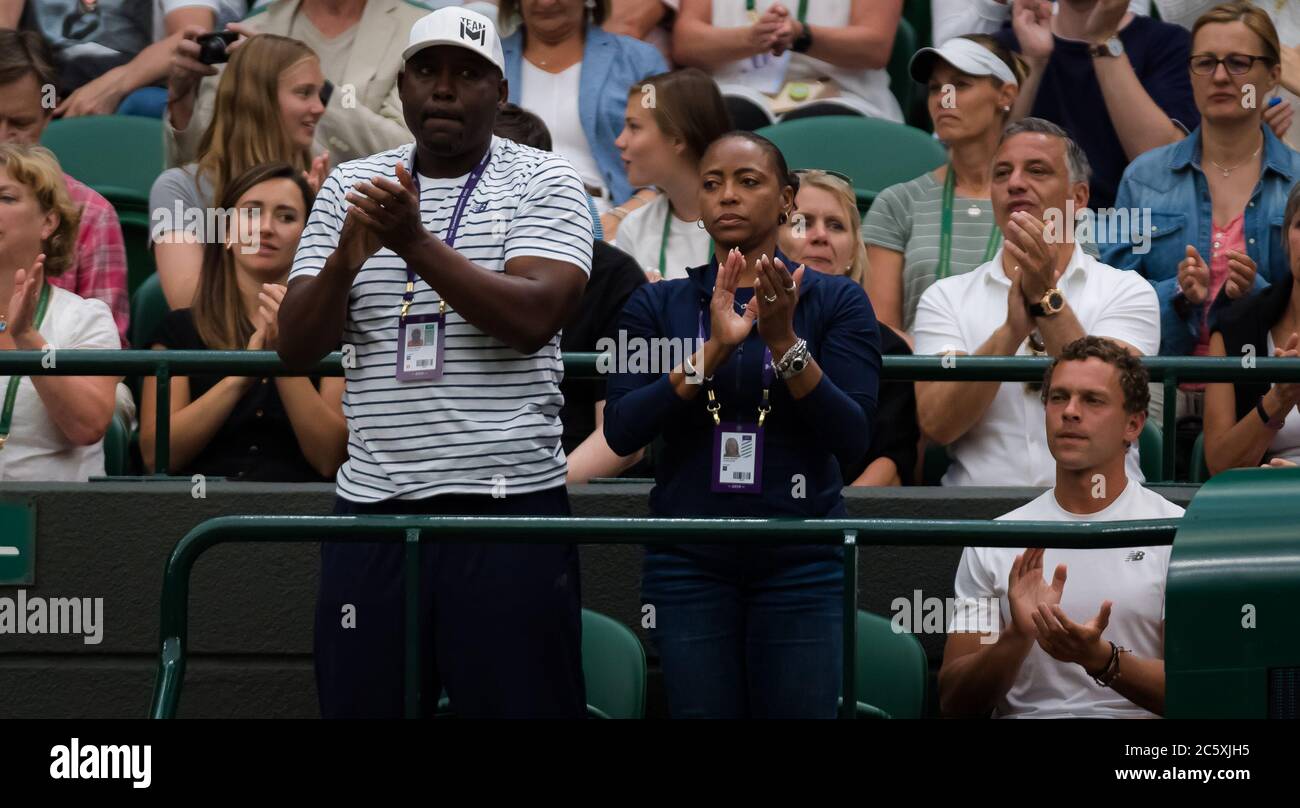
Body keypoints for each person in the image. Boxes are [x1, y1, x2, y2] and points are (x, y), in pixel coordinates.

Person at [276, 7, 594, 718]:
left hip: (507, 509)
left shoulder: (548, 179)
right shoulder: (351, 183)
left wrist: (413, 242)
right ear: (402, 86)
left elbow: (534, 319)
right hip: (374, 509)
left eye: (467, 73)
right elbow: (294, 347)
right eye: (427, 71)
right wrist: (345, 259)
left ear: (501, 92)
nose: (444, 89)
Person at [603, 131, 882, 717]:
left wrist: (784, 344)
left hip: (801, 556)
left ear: (786, 201)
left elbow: (852, 439)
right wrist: (710, 356)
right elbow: (623, 430)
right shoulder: (656, 303)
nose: (727, 195)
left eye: (747, 182)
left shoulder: (838, 302)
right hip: (688, 557)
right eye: (712, 184)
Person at [939, 336, 1181, 718]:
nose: (1070, 412)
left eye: (1092, 400)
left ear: (1133, 424)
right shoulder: (995, 540)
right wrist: (1017, 636)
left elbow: (1197, 694)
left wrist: (1101, 659)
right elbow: (954, 705)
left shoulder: (1176, 534)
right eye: (1058, 398)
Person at [913, 118, 1160, 486]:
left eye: (1037, 170)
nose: (1014, 183)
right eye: (1001, 174)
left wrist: (1047, 300)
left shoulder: (1128, 290)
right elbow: (937, 426)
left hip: (1099, 514)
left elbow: (1116, 399)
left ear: (1078, 198)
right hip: (978, 519)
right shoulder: (945, 297)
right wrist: (1011, 332)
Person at [1103, 2, 1300, 366]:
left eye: (1239, 62)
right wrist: (1178, 294)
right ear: (1190, 73)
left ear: (1273, 76)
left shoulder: (1297, 182)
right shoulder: (1143, 177)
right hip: (1157, 389)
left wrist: (1254, 294)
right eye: (1205, 63)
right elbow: (1113, 297)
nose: (1221, 77)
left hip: (1264, 395)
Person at [140, 161, 346, 481]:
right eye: (251, 212)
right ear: (225, 234)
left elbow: (331, 458)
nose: (266, 227)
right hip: (194, 515)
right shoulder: (177, 329)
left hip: (303, 519)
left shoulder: (334, 328)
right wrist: (241, 376)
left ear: (308, 238)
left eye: (286, 217)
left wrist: (279, 359)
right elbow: (157, 457)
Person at [493, 101, 649, 483]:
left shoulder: (614, 276)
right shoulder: (424, 264)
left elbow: (620, 439)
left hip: (563, 494)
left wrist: (535, 495)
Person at [150, 33, 328, 309]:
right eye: (304, 93)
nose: (319, 108)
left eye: (320, 93)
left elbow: (338, 306)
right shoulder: (179, 188)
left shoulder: (321, 184)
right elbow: (187, 302)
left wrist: (318, 224)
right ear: (258, 99)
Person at [863, 35, 1023, 336]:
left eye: (960, 85)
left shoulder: (1047, 201)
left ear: (1006, 95)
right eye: (935, 88)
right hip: (923, 377)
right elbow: (882, 332)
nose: (943, 98)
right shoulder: (897, 203)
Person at [163, 0, 428, 168]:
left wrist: (306, 83)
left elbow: (411, 152)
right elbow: (201, 167)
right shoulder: (247, 31)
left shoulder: (418, 31)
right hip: (257, 226)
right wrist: (182, 102)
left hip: (365, 226)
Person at [780, 167, 918, 485]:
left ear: (853, 250)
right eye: (802, 222)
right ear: (772, 237)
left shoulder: (887, 346)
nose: (820, 235)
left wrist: (835, 519)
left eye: (836, 226)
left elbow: (892, 460)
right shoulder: (735, 327)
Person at [995, 0, 1201, 211]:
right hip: (1031, 223)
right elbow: (987, 161)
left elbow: (1163, 169)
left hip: (1136, 229)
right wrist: (1034, 62)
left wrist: (1103, 39)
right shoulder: (1011, 43)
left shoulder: (1169, 43)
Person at [0, 30, 130, 347]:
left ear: (48, 115)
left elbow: (104, 363)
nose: (3, 137)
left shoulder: (92, 212)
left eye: (19, 123)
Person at [0, 144, 121, 482]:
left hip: (52, 524)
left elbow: (87, 426)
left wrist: (27, 339)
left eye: (6, 198)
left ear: (49, 221)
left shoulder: (85, 319)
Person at [500, 0, 668, 230]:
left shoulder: (640, 61)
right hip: (504, 219)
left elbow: (669, 162)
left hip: (608, 220)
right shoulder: (489, 62)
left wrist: (620, 218)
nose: (546, 2)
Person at [672, 0, 904, 129]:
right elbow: (686, 44)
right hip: (735, 91)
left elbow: (875, 47)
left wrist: (801, 35)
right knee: (729, 118)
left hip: (842, 95)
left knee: (819, 127)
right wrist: (750, 39)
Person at [1203, 181, 1300, 472]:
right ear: (1286, 236)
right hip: (1258, 501)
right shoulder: (1236, 328)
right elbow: (1219, 465)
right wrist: (1278, 400)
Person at [613, 67, 732, 282]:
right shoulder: (634, 229)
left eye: (634, 127)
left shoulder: (752, 222)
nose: (619, 141)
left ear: (677, 139)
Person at [52, 1, 249, 118]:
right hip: (51, 78)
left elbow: (192, 41)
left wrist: (113, 86)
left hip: (119, 75)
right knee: (40, 95)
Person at [3, 0, 152, 95]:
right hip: (50, 82)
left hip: (123, 80)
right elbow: (5, 36)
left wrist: (116, 85)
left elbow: (172, 43)